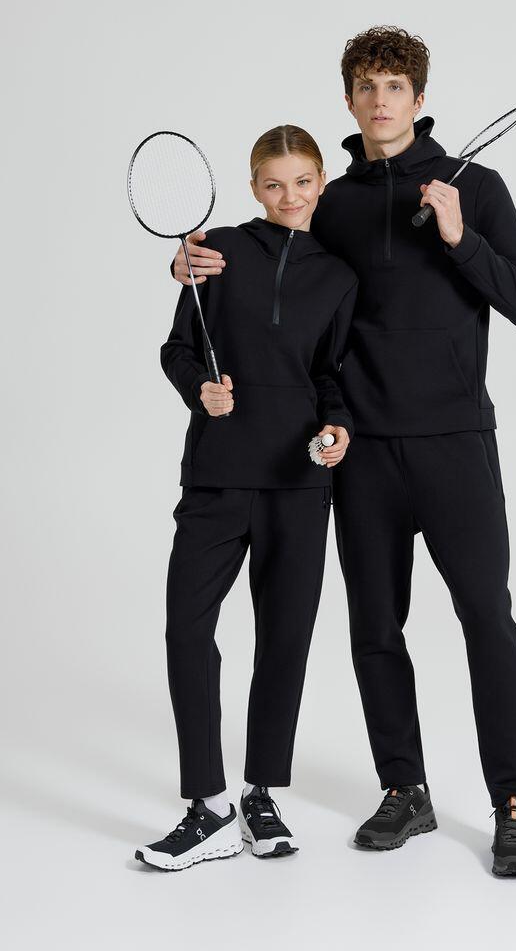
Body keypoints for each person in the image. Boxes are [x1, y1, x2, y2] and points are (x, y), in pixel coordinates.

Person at [170, 26, 516, 877]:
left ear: (418, 98)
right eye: (366, 86)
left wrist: (460, 238)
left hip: (454, 441)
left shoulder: (475, 188)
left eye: (394, 86)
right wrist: (194, 270)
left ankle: (511, 805)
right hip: (360, 449)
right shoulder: (332, 202)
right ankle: (404, 789)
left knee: (485, 617)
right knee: (375, 628)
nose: (380, 100)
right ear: (348, 100)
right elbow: (284, 273)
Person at [135, 125, 357, 871]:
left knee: (284, 639)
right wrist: (199, 389)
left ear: (320, 183)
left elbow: (331, 373)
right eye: (273, 183)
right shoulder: (218, 251)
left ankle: (262, 794)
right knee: (186, 629)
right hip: (218, 477)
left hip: (299, 482)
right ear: (254, 187)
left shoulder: (339, 275)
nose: (289, 197)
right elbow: (178, 348)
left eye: (302, 182)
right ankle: (207, 807)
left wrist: (336, 426)